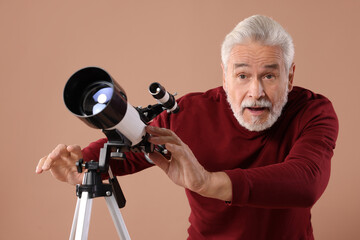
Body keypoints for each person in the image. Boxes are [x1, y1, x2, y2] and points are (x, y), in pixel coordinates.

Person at [36, 15, 339, 239]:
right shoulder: (188, 114)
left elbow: (306, 180)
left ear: (290, 76)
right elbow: (131, 148)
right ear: (225, 76)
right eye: (243, 76)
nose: (256, 92)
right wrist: (85, 164)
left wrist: (208, 182)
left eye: (270, 76)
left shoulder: (313, 112)